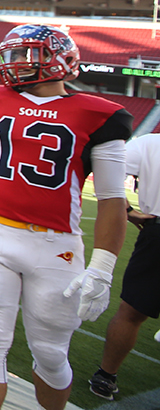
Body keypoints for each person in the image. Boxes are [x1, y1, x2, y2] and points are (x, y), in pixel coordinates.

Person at [0, 25, 131, 410]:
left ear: (61, 60)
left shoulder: (100, 114)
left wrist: (103, 268)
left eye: (27, 55)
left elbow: (111, 199)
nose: (14, 65)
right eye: (11, 56)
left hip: (55, 244)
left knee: (51, 351)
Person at [88, 132, 160, 401]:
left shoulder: (149, 143)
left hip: (157, 232)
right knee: (131, 313)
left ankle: (106, 376)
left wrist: (128, 211)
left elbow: (107, 169)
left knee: (131, 312)